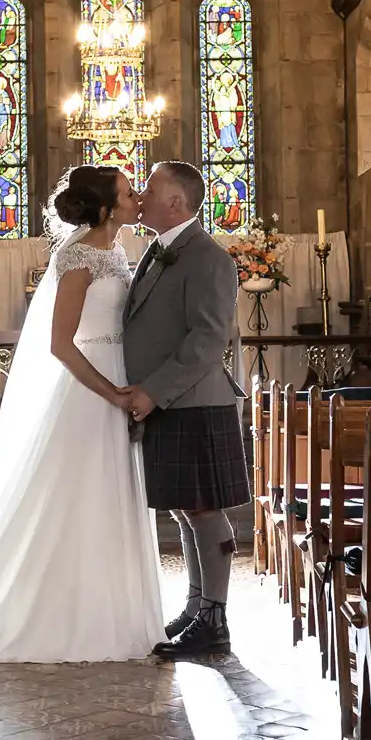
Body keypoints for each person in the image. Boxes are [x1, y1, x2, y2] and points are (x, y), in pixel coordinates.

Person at [0, 165, 165, 663]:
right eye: (126, 191)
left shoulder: (116, 250)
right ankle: (62, 613)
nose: (136, 196)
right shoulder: (77, 257)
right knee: (76, 494)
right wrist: (110, 392)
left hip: (117, 375)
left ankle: (108, 608)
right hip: (86, 387)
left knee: (109, 490)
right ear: (104, 207)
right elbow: (59, 344)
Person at [119, 159, 246, 658]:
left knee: (202, 507)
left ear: (176, 202)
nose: (142, 196)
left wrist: (153, 390)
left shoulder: (209, 257)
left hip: (193, 399)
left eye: (150, 188)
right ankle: (196, 606)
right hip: (170, 400)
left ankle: (215, 617)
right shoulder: (158, 250)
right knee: (184, 507)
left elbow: (209, 338)